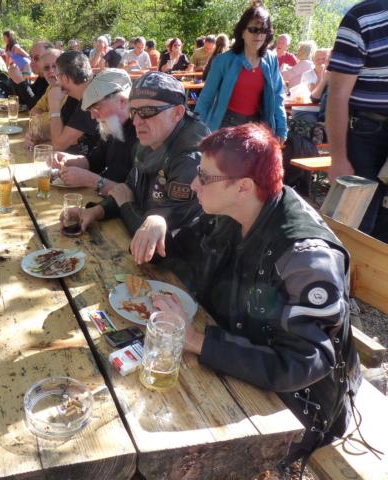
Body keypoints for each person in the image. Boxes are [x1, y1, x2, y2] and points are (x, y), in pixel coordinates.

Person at [140, 123, 360, 474]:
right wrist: (157, 220)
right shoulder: (238, 209)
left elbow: (304, 364)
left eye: (204, 176)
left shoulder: (305, 258)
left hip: (297, 405)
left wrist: (195, 339)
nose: (194, 184)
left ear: (242, 186)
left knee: (158, 437)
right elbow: (181, 250)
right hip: (233, 354)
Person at [60, 71, 207, 238]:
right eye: (134, 112)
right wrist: (95, 211)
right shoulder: (151, 140)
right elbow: (129, 188)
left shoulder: (190, 161)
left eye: (147, 111)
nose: (136, 121)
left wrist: (126, 205)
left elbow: (155, 240)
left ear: (177, 113)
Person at [327, 0, 388, 243]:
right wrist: (338, 159)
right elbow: (337, 94)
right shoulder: (362, 17)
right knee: (354, 223)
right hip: (366, 134)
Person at [195, 3, 287, 141]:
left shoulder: (271, 60)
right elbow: (206, 99)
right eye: (253, 29)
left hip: (257, 126)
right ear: (242, 32)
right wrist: (197, 132)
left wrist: (281, 130)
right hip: (226, 124)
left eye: (264, 30)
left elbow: (278, 97)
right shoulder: (222, 61)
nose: (259, 34)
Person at [52, 68, 138, 194]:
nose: (92, 116)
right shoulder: (113, 126)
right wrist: (68, 159)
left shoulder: (142, 132)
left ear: (122, 101)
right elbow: (95, 162)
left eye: (97, 107)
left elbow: (136, 195)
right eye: (90, 110)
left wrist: (91, 181)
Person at [47, 51, 99, 155]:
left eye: (57, 76)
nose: (57, 82)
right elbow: (60, 130)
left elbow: (59, 145)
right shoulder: (76, 94)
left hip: (99, 163)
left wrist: (54, 105)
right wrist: (38, 135)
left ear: (65, 78)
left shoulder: (93, 98)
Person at [7, 40, 52, 109]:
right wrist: (15, 80)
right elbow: (23, 100)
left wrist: (21, 82)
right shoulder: (41, 78)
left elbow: (36, 106)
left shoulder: (54, 80)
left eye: (37, 58)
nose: (32, 62)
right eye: (31, 57)